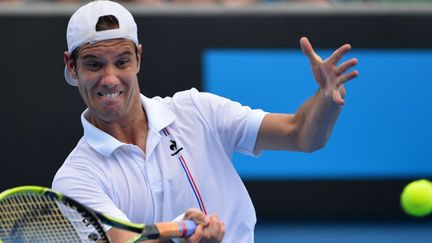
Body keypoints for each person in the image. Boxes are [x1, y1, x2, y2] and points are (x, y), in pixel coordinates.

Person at [52, 0, 358, 242]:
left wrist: (325, 99)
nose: (110, 79)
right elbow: (124, 242)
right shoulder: (75, 179)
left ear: (139, 58)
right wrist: (179, 235)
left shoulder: (198, 109)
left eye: (122, 62)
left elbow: (301, 134)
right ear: (72, 66)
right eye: (94, 65)